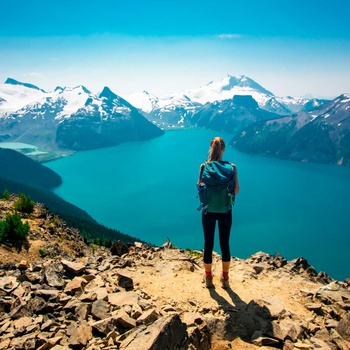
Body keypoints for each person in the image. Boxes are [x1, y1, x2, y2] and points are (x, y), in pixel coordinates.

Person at [198, 137, 239, 288]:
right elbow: (236, 190)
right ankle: (225, 278)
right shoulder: (232, 167)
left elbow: (199, 187)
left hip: (208, 210)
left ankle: (208, 278)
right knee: (224, 244)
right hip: (225, 211)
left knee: (208, 244)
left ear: (211, 148)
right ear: (224, 149)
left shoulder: (204, 167)